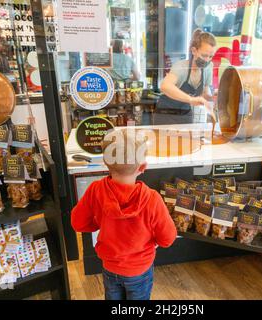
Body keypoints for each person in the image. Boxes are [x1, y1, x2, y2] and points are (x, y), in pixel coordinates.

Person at [71, 129, 177, 300]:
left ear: (106, 163)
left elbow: (78, 223)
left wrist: (99, 223)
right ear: (143, 167)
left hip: (110, 267)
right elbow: (168, 238)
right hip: (139, 270)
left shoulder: (95, 190)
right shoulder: (152, 199)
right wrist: (154, 242)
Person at [154, 29, 217, 125]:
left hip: (185, 113)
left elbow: (205, 92)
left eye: (210, 56)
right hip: (165, 113)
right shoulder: (182, 67)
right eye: (204, 55)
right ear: (194, 51)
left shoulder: (208, 67)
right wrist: (191, 99)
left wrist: (213, 97)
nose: (207, 60)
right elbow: (165, 86)